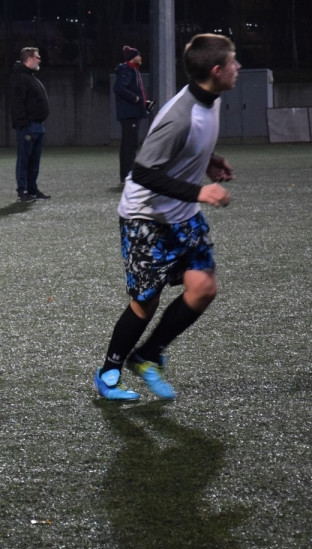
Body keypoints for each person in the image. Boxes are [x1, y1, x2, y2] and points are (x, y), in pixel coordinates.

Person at [94, 33, 239, 401]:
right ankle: (109, 372)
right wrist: (200, 192)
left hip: (181, 213)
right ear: (216, 70)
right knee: (147, 300)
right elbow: (143, 172)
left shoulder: (211, 98)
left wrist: (208, 161)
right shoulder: (180, 115)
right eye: (233, 62)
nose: (238, 67)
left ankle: (147, 355)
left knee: (203, 288)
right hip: (146, 217)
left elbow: (185, 147)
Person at [9, 47, 50, 202]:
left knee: (34, 161)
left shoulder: (29, 77)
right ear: (30, 59)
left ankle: (32, 190)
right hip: (28, 127)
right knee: (25, 160)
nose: (40, 59)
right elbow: (17, 103)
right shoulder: (20, 78)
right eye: (37, 57)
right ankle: (23, 191)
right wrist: (23, 124)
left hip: (37, 125)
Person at [114, 45, 152, 183]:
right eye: (138, 55)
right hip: (129, 114)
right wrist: (135, 98)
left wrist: (144, 103)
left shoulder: (132, 70)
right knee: (130, 145)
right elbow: (119, 87)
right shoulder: (127, 70)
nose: (140, 57)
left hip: (130, 113)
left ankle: (126, 175)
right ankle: (128, 175)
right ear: (132, 58)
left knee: (129, 144)